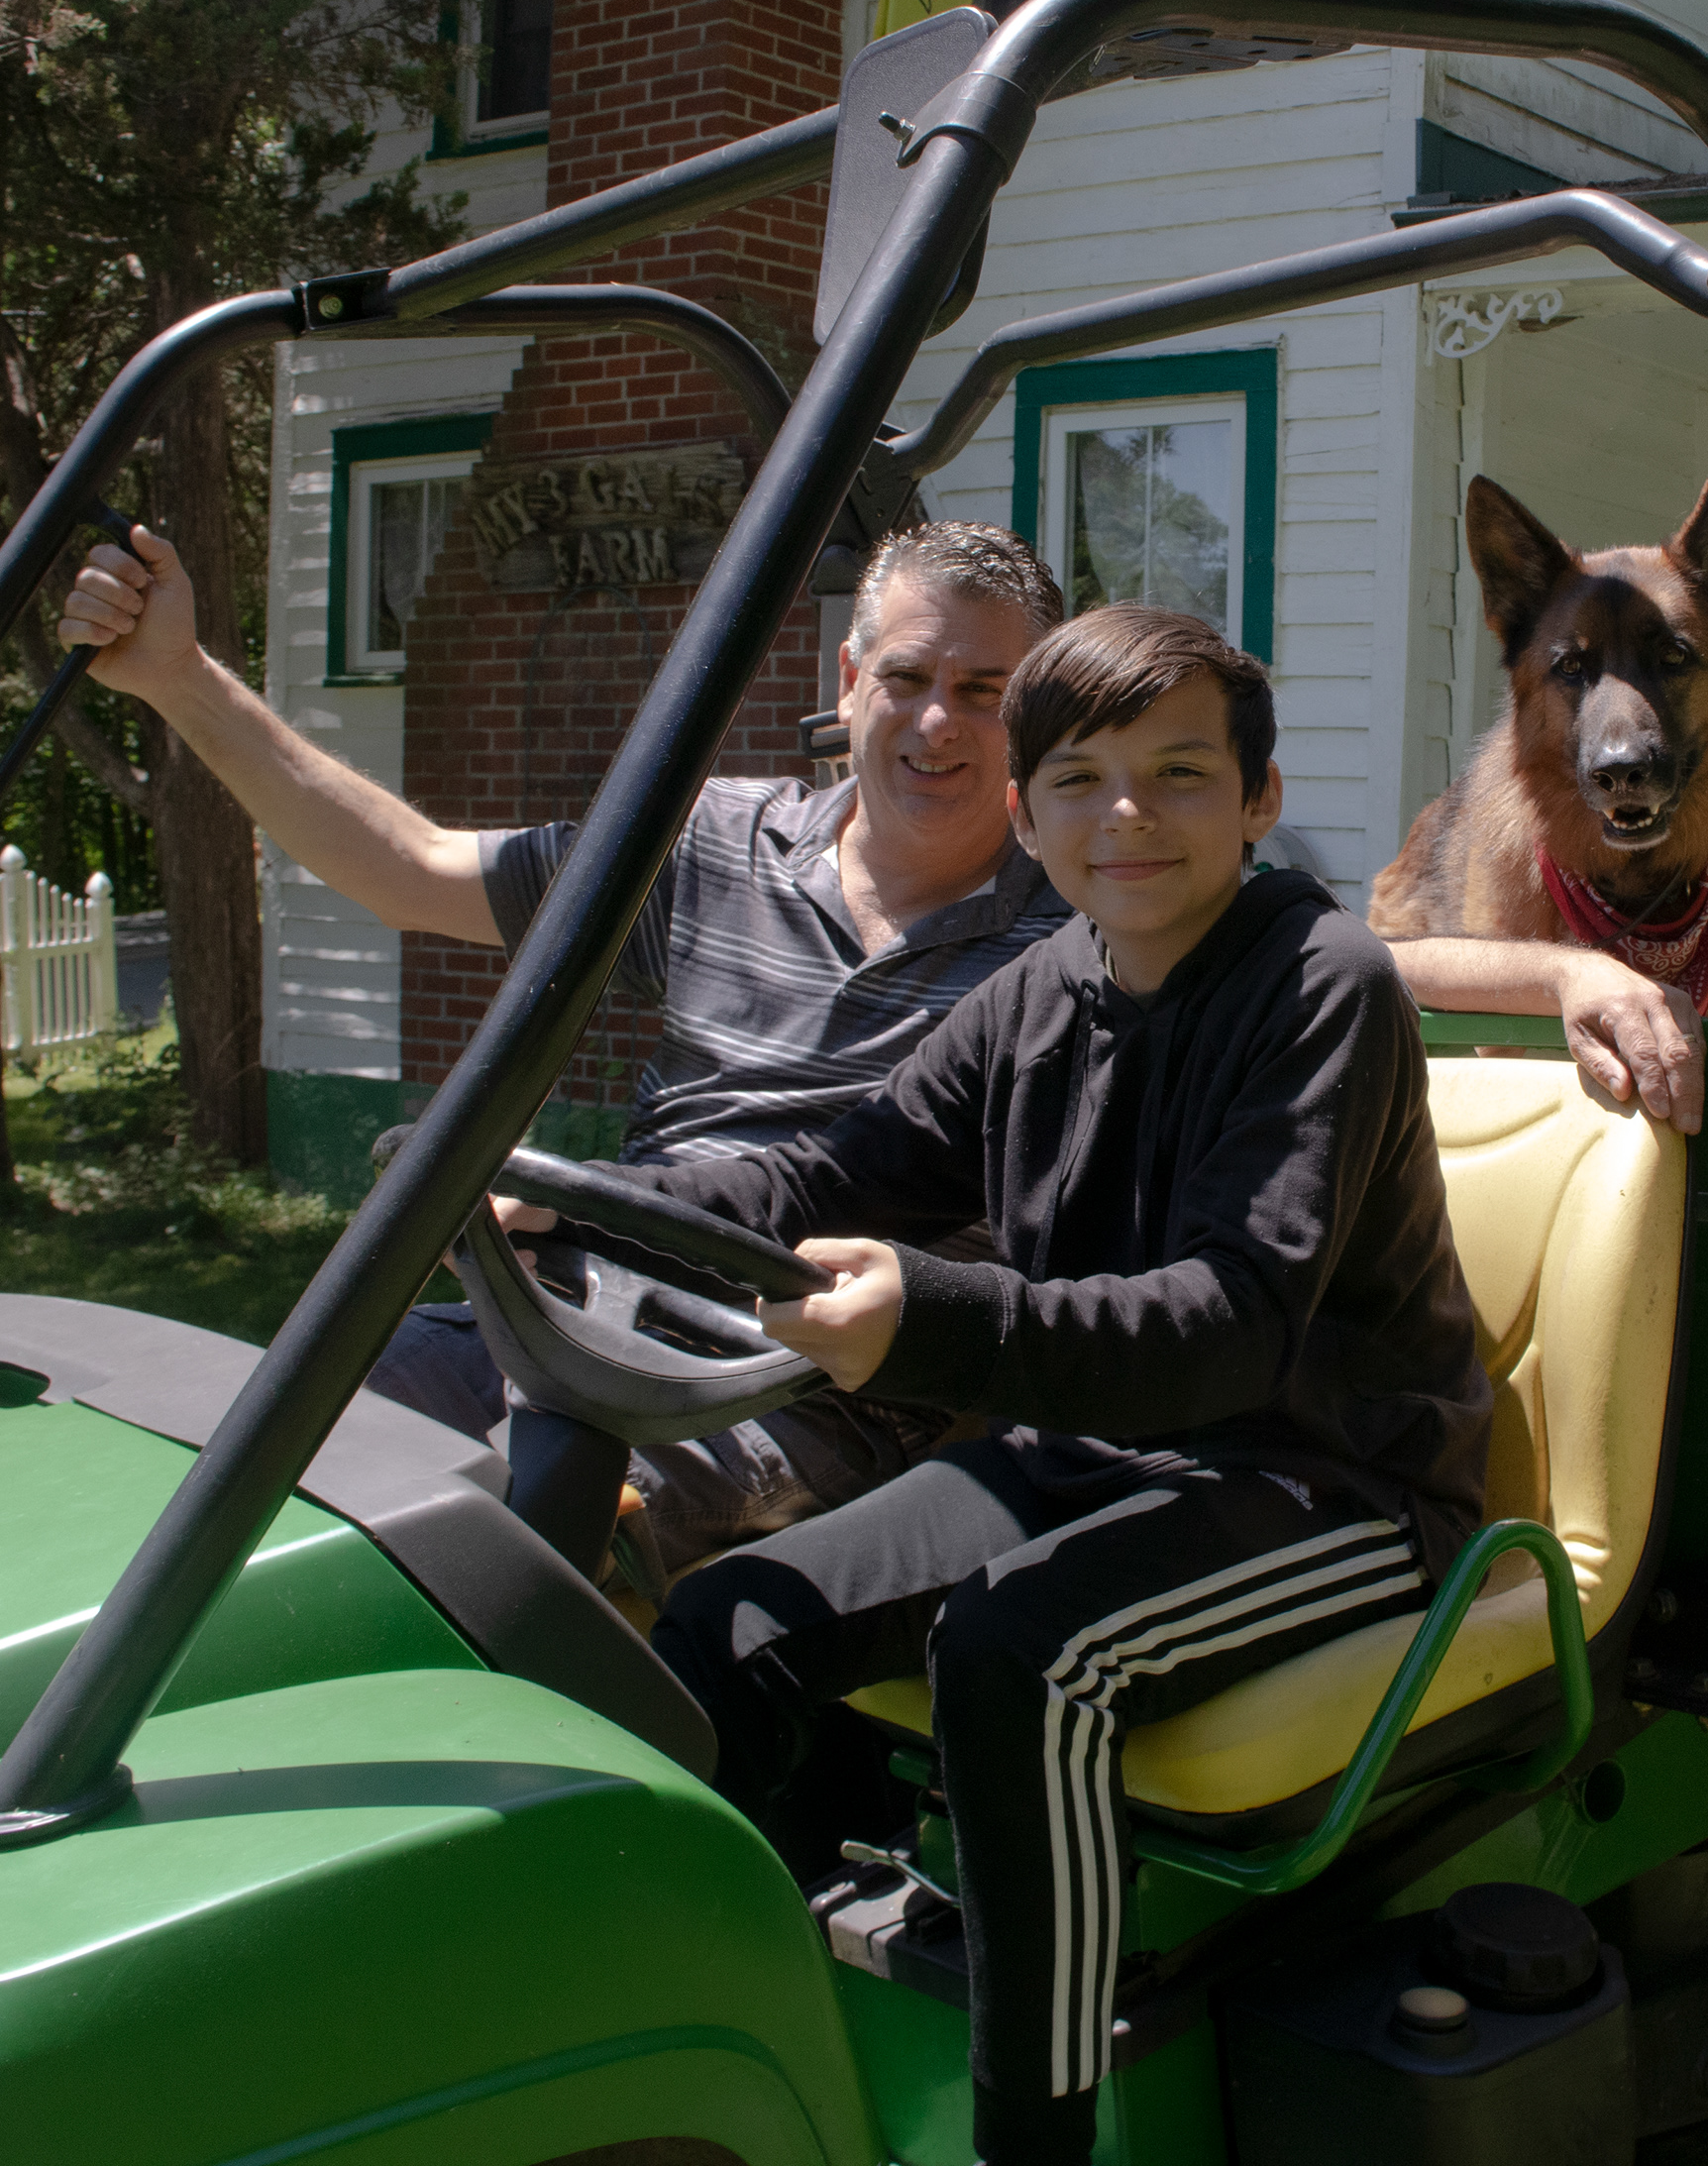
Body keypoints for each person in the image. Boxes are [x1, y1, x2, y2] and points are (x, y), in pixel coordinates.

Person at [627, 603, 1488, 2166]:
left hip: (1330, 1480)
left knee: (1022, 1654)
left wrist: (932, 1321)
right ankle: (752, 2084)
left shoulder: (1321, 985)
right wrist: (605, 1204)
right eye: (1081, 781)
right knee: (725, 1630)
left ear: (1261, 800)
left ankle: (1037, 2138)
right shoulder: (1038, 993)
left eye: (1179, 774)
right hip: (1097, 1453)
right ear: (1025, 816)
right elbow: (842, 1165)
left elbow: (1234, 1326)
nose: (1129, 818)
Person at [57, 515, 1072, 1575]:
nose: (936, 722)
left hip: (812, 1378)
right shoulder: (716, 845)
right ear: (851, 678)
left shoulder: (1079, 930)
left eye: (984, 692)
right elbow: (413, 866)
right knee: (263, 1442)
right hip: (579, 1308)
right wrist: (179, 677)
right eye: (908, 676)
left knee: (496, 1542)